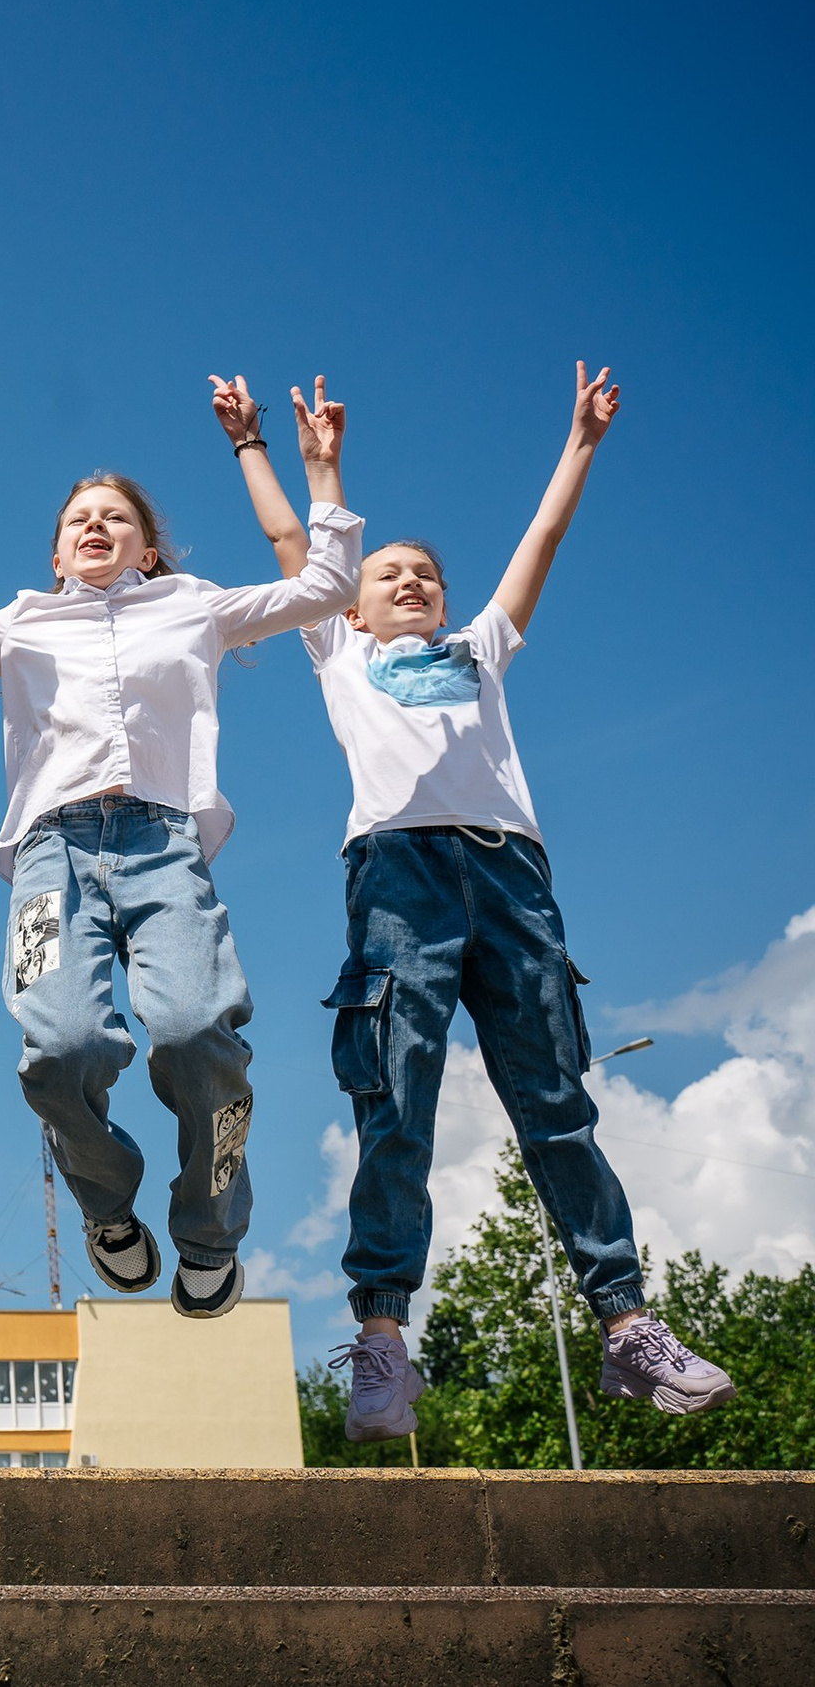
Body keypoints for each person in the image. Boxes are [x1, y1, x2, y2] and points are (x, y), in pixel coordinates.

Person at [0, 376, 359, 1318]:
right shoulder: (23, 621)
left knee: (194, 1032)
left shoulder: (194, 606)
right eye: (79, 519)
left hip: (163, 848)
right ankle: (108, 1208)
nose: (96, 526)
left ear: (148, 543)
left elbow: (328, 587)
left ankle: (210, 1230)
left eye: (116, 517)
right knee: (59, 1045)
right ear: (55, 549)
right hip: (51, 857)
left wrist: (319, 470)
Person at [305, 364, 736, 1438]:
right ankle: (383, 1343)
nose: (406, 581)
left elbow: (536, 545)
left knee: (555, 1104)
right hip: (398, 878)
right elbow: (297, 553)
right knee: (394, 1102)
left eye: (423, 575)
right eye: (386, 573)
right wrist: (313, 467)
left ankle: (627, 1329)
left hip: (509, 878)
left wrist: (580, 443)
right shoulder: (340, 654)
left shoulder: (479, 652)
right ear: (350, 607)